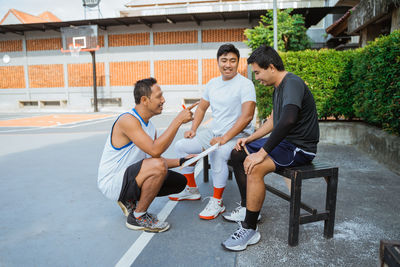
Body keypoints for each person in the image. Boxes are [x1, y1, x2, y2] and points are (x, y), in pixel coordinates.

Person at [222, 45, 319, 251]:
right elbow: (274, 121)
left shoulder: (292, 83)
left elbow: (288, 121)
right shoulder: (279, 88)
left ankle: (249, 228)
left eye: (257, 72)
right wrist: (250, 139)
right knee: (238, 153)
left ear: (271, 67)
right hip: (286, 143)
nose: (256, 77)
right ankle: (248, 207)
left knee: (255, 165)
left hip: (300, 148)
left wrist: (261, 153)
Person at [168, 43, 256, 220]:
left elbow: (247, 117)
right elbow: (201, 108)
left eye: (232, 60)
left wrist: (224, 138)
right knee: (182, 146)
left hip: (238, 135)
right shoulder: (212, 84)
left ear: (238, 62)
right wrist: (193, 129)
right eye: (224, 60)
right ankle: (191, 189)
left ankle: (217, 201)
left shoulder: (245, 84)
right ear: (218, 62)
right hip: (215, 132)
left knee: (220, 152)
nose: (228, 64)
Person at [97, 78, 198, 233]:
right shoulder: (128, 120)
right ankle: (138, 216)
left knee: (179, 182)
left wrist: (182, 161)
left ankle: (129, 199)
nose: (163, 100)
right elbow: (155, 152)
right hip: (112, 181)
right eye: (159, 96)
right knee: (158, 166)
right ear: (144, 100)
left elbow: (152, 159)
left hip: (130, 176)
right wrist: (177, 121)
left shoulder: (150, 127)